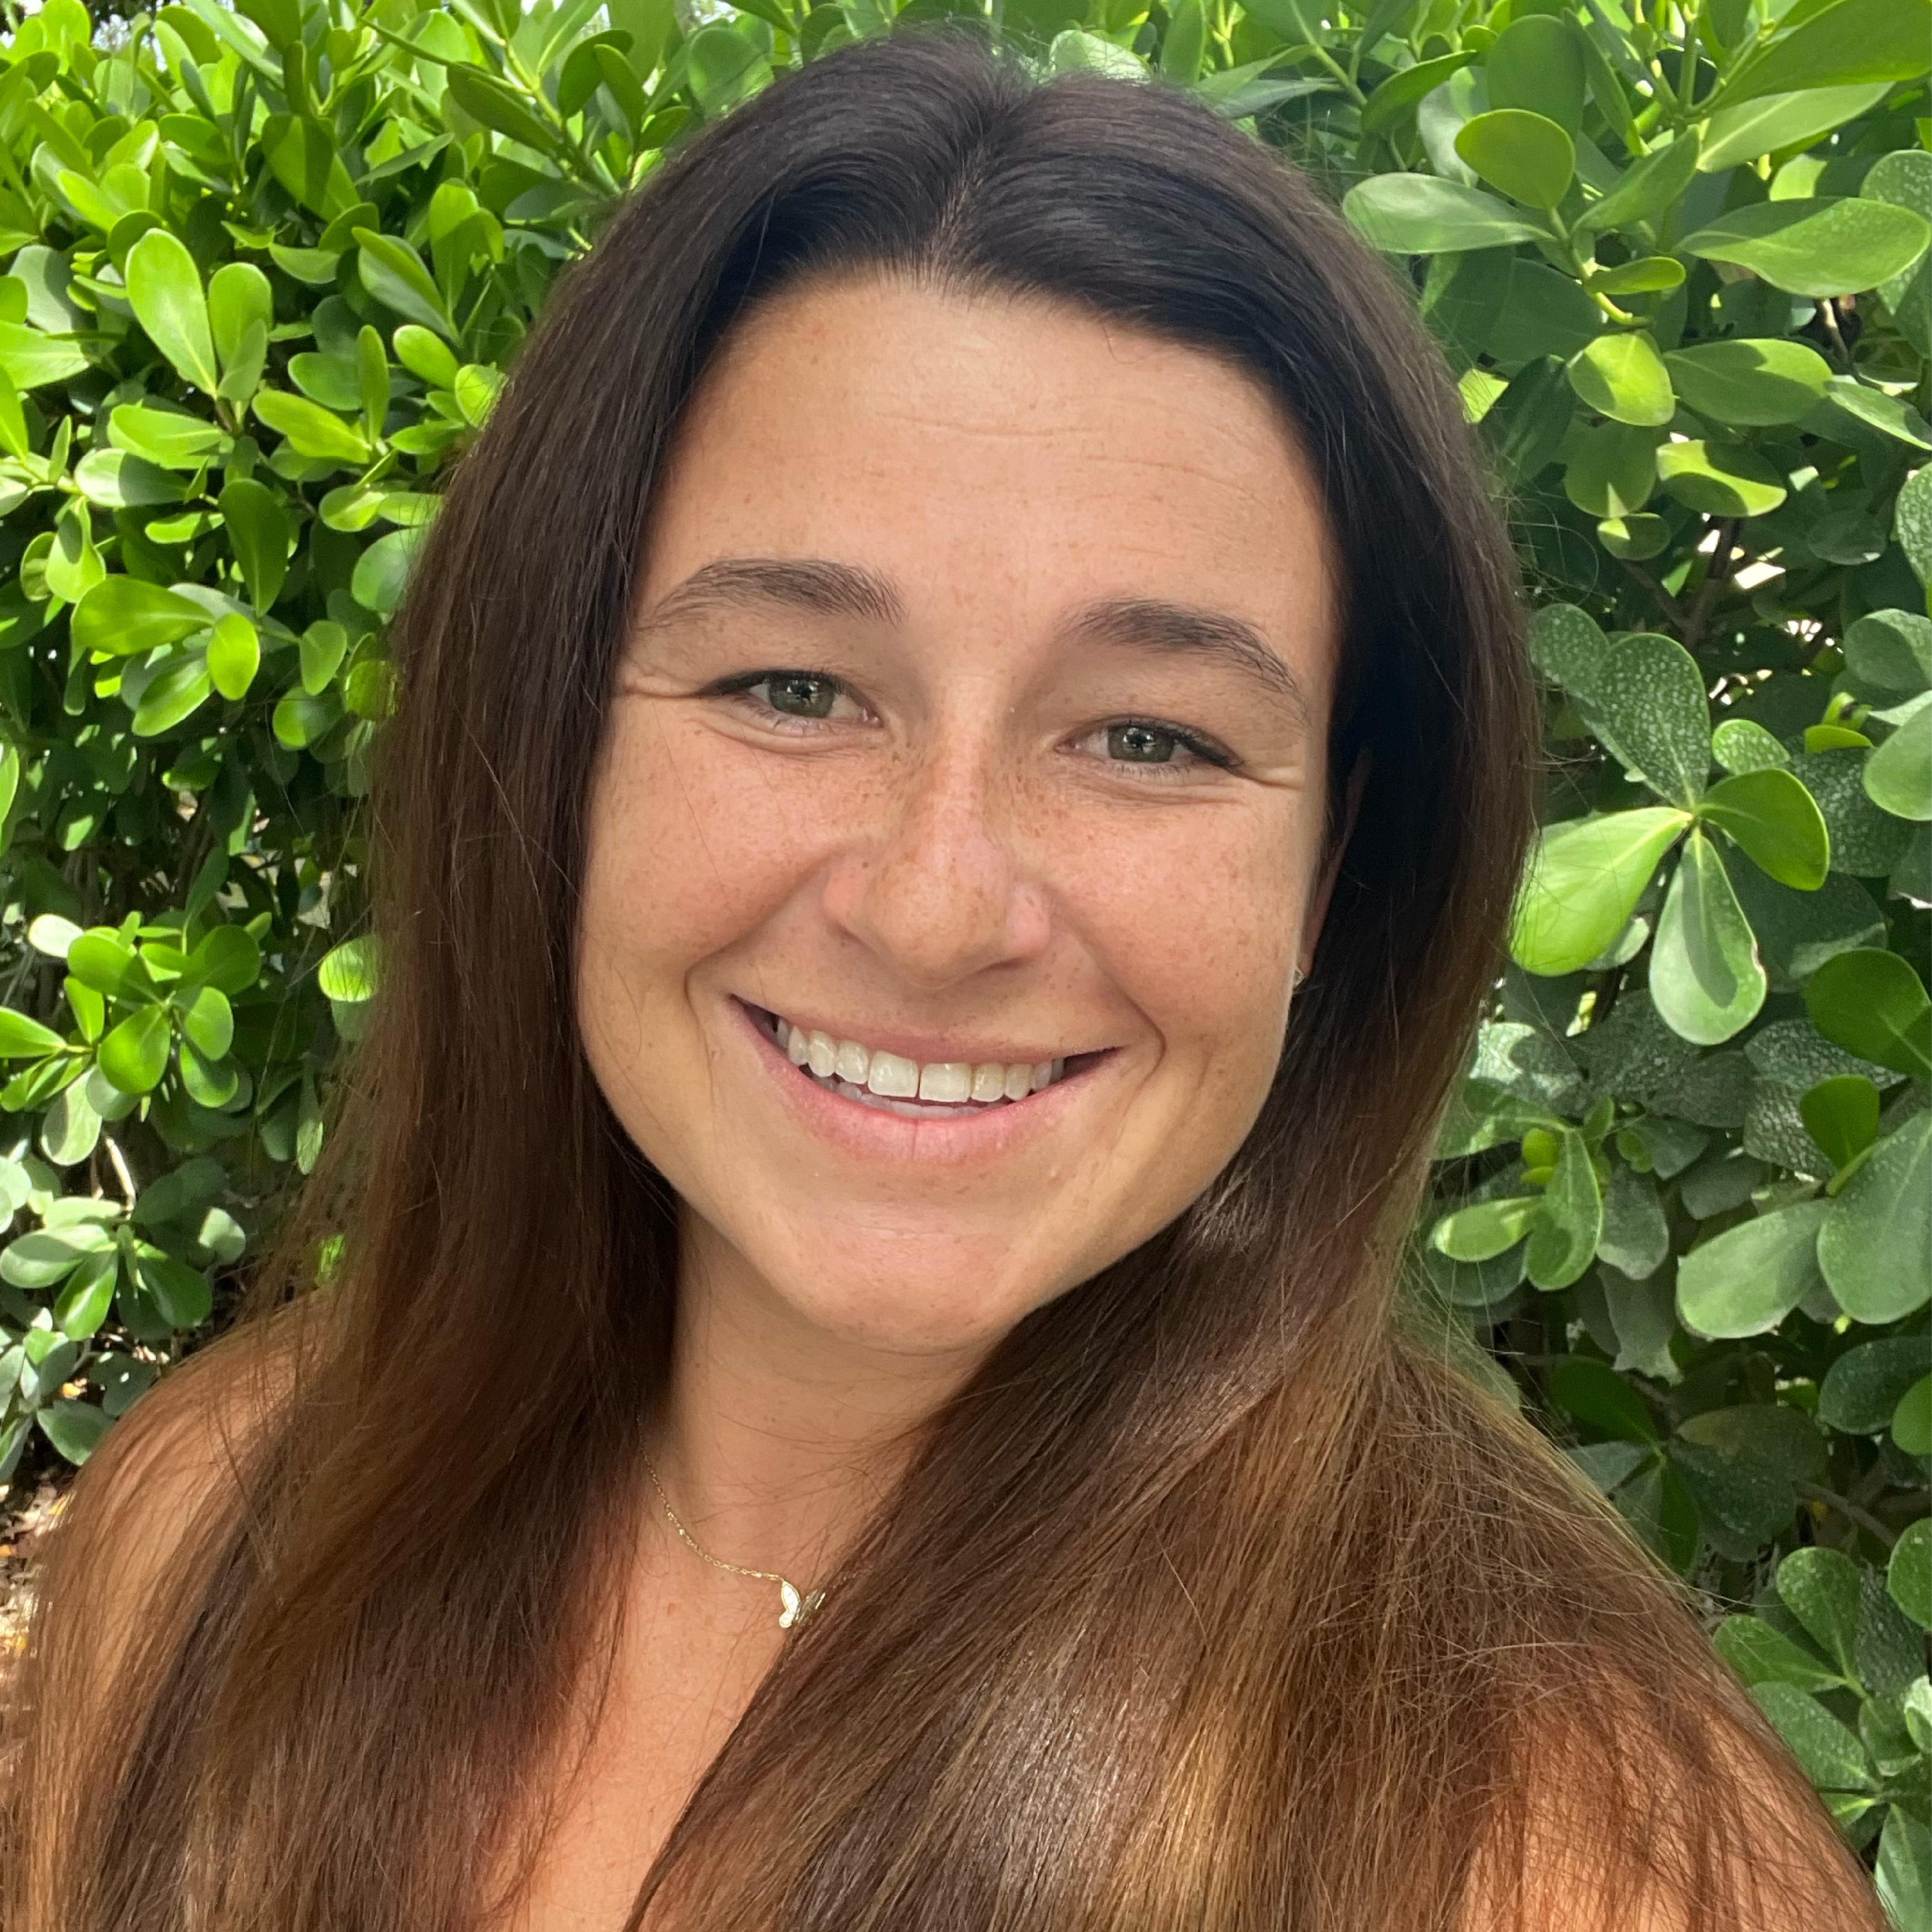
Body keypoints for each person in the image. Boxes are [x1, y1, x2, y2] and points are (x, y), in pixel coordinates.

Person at [0, 27, 1889, 1932]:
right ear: (555, 750)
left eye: (1149, 737)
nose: (936, 908)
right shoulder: (212, 1538)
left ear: (1336, 860)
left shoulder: (1563, 1852)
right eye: (793, 687)